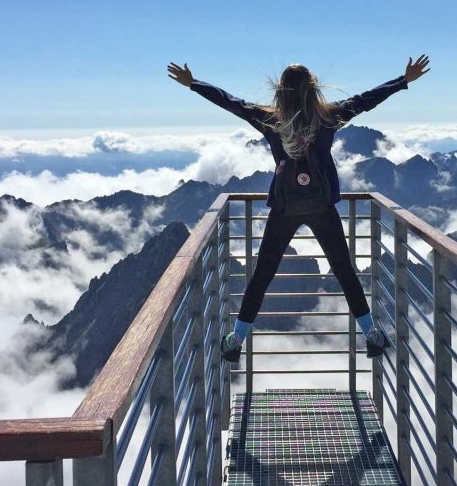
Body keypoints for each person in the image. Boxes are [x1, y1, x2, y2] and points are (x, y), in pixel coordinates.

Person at [167, 55, 430, 363]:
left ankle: (236, 339)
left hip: (284, 208)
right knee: (345, 270)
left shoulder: (270, 120)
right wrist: (403, 80)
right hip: (321, 207)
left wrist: (194, 84)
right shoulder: (329, 118)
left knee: (263, 273)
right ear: (313, 88)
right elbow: (366, 100)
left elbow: (231, 102)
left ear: (280, 90)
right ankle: (371, 333)